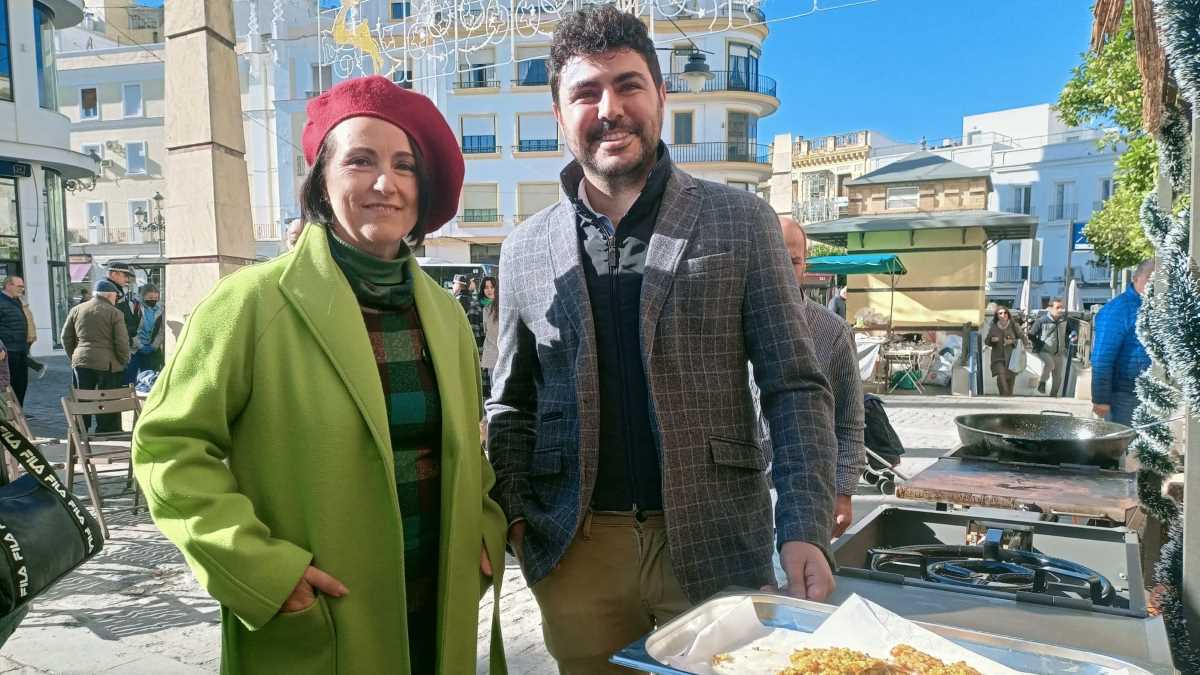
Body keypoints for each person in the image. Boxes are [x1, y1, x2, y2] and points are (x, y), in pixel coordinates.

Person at [486, 8, 837, 672]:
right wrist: (517, 515)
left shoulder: (742, 221)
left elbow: (794, 385)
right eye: (586, 93)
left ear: (661, 96)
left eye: (628, 84)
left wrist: (804, 526)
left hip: (713, 544)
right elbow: (510, 403)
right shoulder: (524, 249)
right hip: (575, 552)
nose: (609, 108)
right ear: (558, 113)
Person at [132, 76, 508, 675]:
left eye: (404, 165)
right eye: (360, 160)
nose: (385, 183)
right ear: (322, 181)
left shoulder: (444, 314)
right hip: (325, 616)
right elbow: (168, 449)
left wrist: (486, 529)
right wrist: (259, 568)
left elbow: (468, 445)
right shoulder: (251, 304)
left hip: (438, 599)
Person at [777, 217, 864, 538]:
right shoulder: (724, 325)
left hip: (808, 494)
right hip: (737, 500)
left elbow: (849, 420)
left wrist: (843, 492)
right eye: (771, 257)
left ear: (804, 265)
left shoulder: (831, 331)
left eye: (793, 260)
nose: (783, 269)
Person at [61, 279, 130, 432]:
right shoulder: (115, 313)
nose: (115, 300)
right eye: (115, 297)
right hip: (108, 364)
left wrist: (74, 356)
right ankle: (106, 430)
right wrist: (124, 360)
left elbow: (66, 337)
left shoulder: (77, 309)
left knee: (82, 397)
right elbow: (122, 341)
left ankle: (81, 429)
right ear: (110, 296)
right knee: (108, 398)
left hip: (81, 362)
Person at [1091, 260, 1155, 425]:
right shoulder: (1117, 310)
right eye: (1150, 277)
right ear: (1135, 278)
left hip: (1154, 393)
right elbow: (1102, 358)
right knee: (1123, 447)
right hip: (1125, 396)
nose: (1155, 281)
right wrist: (1101, 399)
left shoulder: (1157, 307)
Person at [1030, 298, 1076, 397]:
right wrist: (1040, 344)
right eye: (1057, 307)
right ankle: (1042, 383)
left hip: (1059, 352)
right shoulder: (1041, 320)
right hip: (1044, 351)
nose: (1060, 310)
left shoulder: (1064, 320)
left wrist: (1073, 334)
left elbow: (1071, 331)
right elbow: (1031, 334)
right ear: (1050, 308)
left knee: (1058, 377)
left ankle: (1053, 396)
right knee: (1050, 364)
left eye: (1061, 308)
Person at [125, 284, 165, 383]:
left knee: (150, 379)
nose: (153, 300)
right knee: (130, 379)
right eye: (150, 297)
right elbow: (130, 329)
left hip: (152, 349)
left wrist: (154, 346)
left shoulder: (161, 310)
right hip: (134, 349)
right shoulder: (134, 307)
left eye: (156, 298)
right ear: (143, 296)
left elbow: (162, 330)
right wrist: (140, 345)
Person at [986, 306, 1027, 397]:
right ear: (997, 316)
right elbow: (987, 341)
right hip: (998, 358)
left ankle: (1005, 397)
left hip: (1012, 358)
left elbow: (1023, 340)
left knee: (1010, 381)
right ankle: (1005, 395)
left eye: (1005, 313)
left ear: (1008, 314)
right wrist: (992, 340)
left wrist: (1012, 341)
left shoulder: (1014, 325)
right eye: (1000, 313)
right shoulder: (994, 327)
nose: (1003, 315)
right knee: (1001, 375)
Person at [0, 277, 29, 404]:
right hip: (8, 351)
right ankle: (8, 416)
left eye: (22, 286)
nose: (22, 289)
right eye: (19, 286)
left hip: (20, 350)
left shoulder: (17, 301)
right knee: (8, 385)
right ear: (8, 285)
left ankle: (18, 414)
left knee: (21, 384)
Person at [105, 261, 141, 351]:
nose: (127, 280)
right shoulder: (109, 291)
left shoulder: (116, 289)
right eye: (125, 276)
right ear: (114, 274)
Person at [453, 273, 484, 349]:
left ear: (459, 286)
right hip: (475, 347)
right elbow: (480, 329)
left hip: (457, 346)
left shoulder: (453, 303)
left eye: (454, 284)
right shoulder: (476, 303)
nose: (453, 286)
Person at [480, 276, 499, 399]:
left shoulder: (500, 307)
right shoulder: (484, 307)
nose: (489, 290)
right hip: (492, 353)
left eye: (492, 287)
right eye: (486, 287)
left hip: (499, 353)